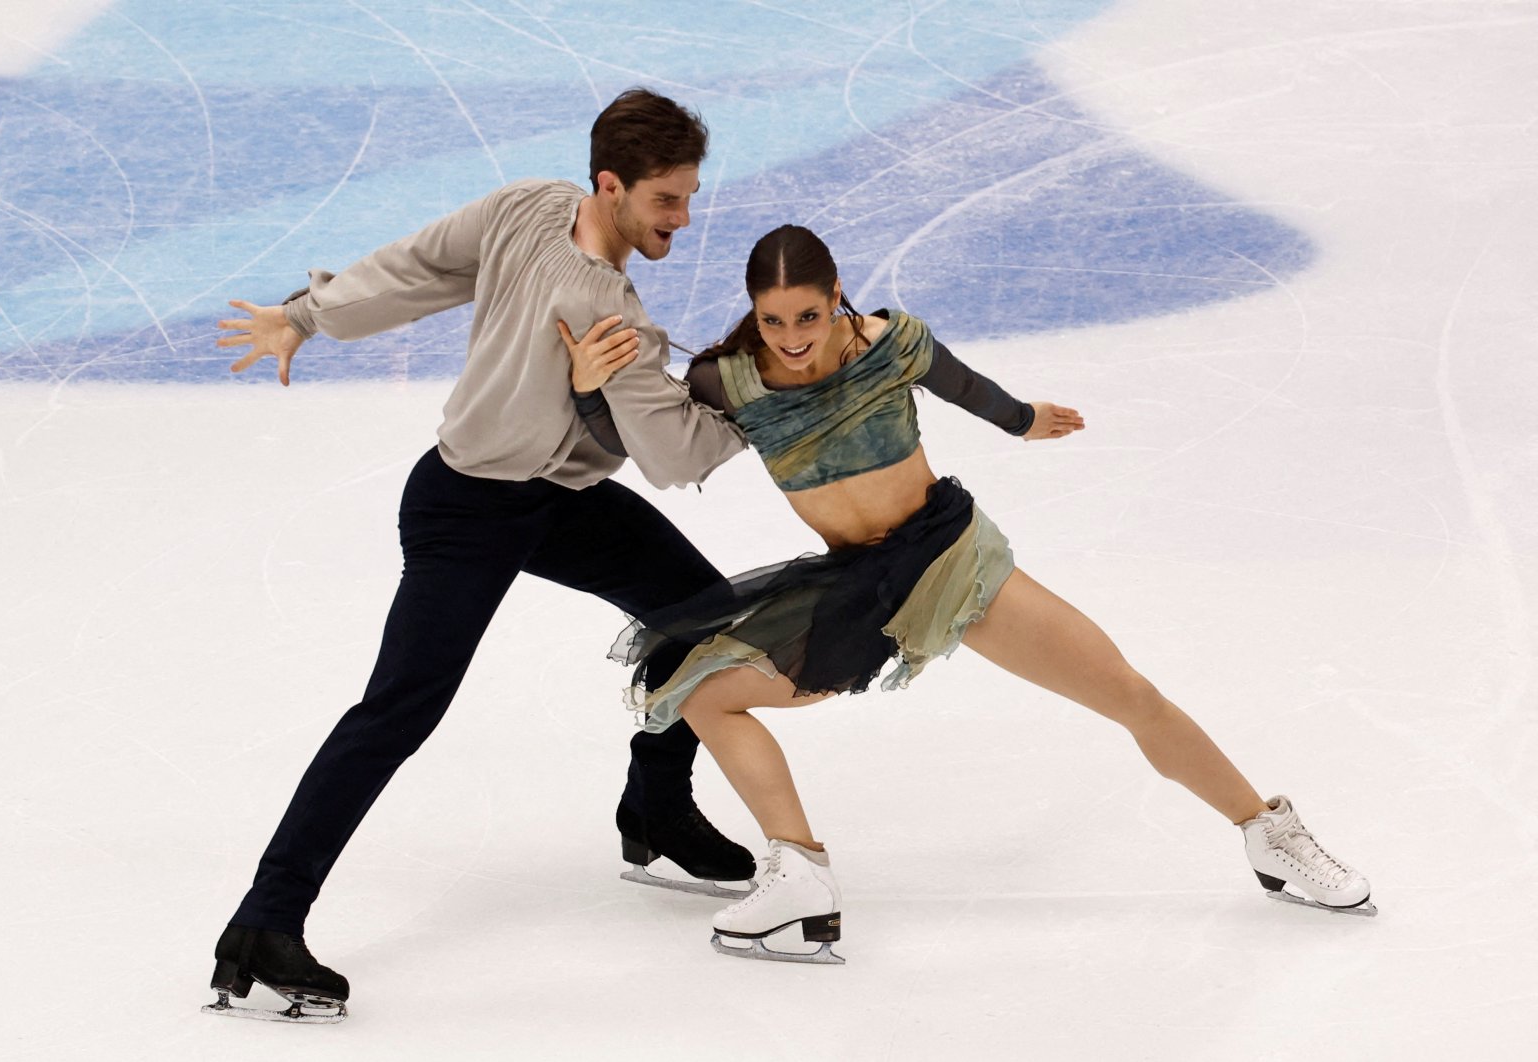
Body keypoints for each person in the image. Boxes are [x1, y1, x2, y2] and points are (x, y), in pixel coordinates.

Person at [562, 224, 1375, 965]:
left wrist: (1028, 420)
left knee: (1128, 693)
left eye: (807, 317)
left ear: (835, 291)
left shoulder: (892, 343)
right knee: (706, 691)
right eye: (774, 321)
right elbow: (642, 444)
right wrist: (592, 390)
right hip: (859, 588)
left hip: (951, 562)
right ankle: (800, 875)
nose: (793, 338)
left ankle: (1269, 833)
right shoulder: (728, 379)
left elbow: (967, 388)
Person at [203, 89, 759, 1023]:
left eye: (690, 196)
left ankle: (655, 810)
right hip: (470, 509)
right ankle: (264, 923)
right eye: (668, 200)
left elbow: (411, 269)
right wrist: (769, 395)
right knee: (399, 708)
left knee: (706, 617)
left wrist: (305, 314)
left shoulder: (527, 205)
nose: (684, 219)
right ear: (611, 186)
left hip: (558, 500)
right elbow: (673, 457)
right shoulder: (605, 306)